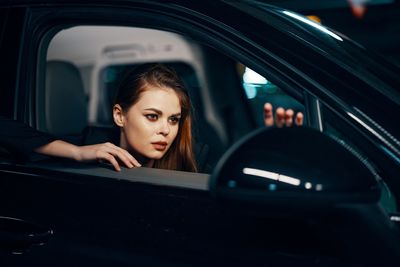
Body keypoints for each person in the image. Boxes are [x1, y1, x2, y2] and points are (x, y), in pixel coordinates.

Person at [0, 63, 303, 172]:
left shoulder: (193, 158)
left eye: (173, 119)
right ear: (120, 115)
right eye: (152, 116)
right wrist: (77, 153)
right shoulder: (89, 145)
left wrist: (273, 147)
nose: (165, 131)